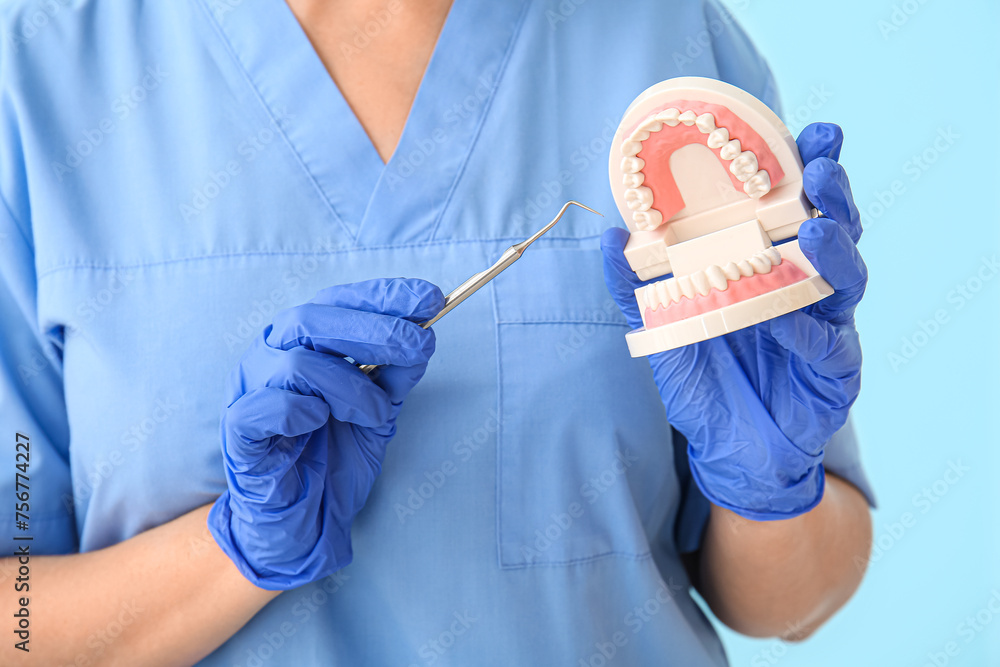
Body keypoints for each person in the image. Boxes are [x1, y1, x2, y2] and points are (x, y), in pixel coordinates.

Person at [0, 0, 875, 664]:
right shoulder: (43, 74)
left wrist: (772, 485)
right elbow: (19, 621)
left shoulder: (668, 51)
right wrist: (235, 551)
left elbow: (794, 599)